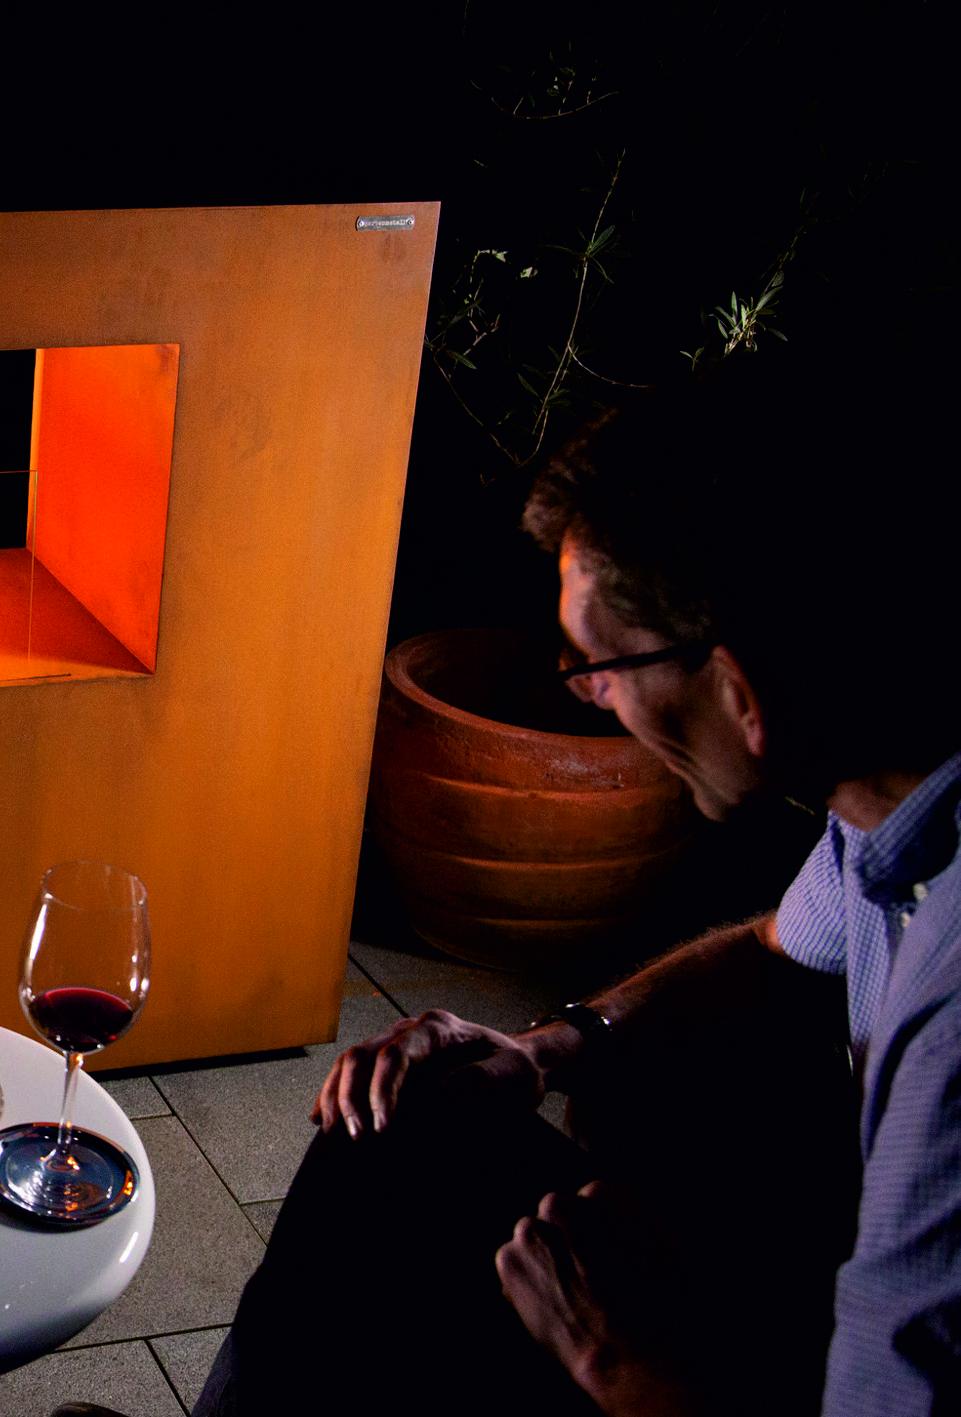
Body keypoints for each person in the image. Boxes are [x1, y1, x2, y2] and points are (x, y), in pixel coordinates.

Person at [196, 344, 958, 1415]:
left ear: (739, 690)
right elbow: (778, 951)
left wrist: (619, 1358)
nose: (594, 700)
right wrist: (549, 1046)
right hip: (799, 1286)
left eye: (604, 666)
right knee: (405, 1118)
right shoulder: (890, 802)